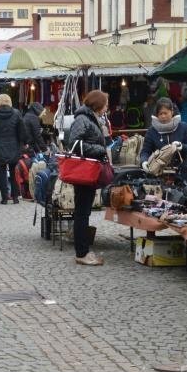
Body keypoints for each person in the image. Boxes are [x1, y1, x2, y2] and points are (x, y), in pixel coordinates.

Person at [65, 90, 111, 266]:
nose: (107, 107)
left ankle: (83, 251)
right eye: (105, 104)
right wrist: (100, 150)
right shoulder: (83, 119)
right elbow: (75, 144)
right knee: (82, 213)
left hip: (89, 172)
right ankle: (82, 253)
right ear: (97, 105)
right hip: (84, 172)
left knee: (84, 212)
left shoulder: (90, 118)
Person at [0, 94, 26, 204]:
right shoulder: (17, 113)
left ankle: (4, 198)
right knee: (14, 173)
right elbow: (21, 131)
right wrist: (23, 143)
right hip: (14, 146)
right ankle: (15, 197)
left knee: (2, 174)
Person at [139, 97, 187, 169]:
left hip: (181, 170)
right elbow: (145, 151)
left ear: (172, 112)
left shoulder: (183, 127)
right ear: (157, 115)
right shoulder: (151, 131)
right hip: (158, 171)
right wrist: (144, 162)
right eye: (160, 113)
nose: (163, 116)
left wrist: (181, 146)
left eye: (166, 113)